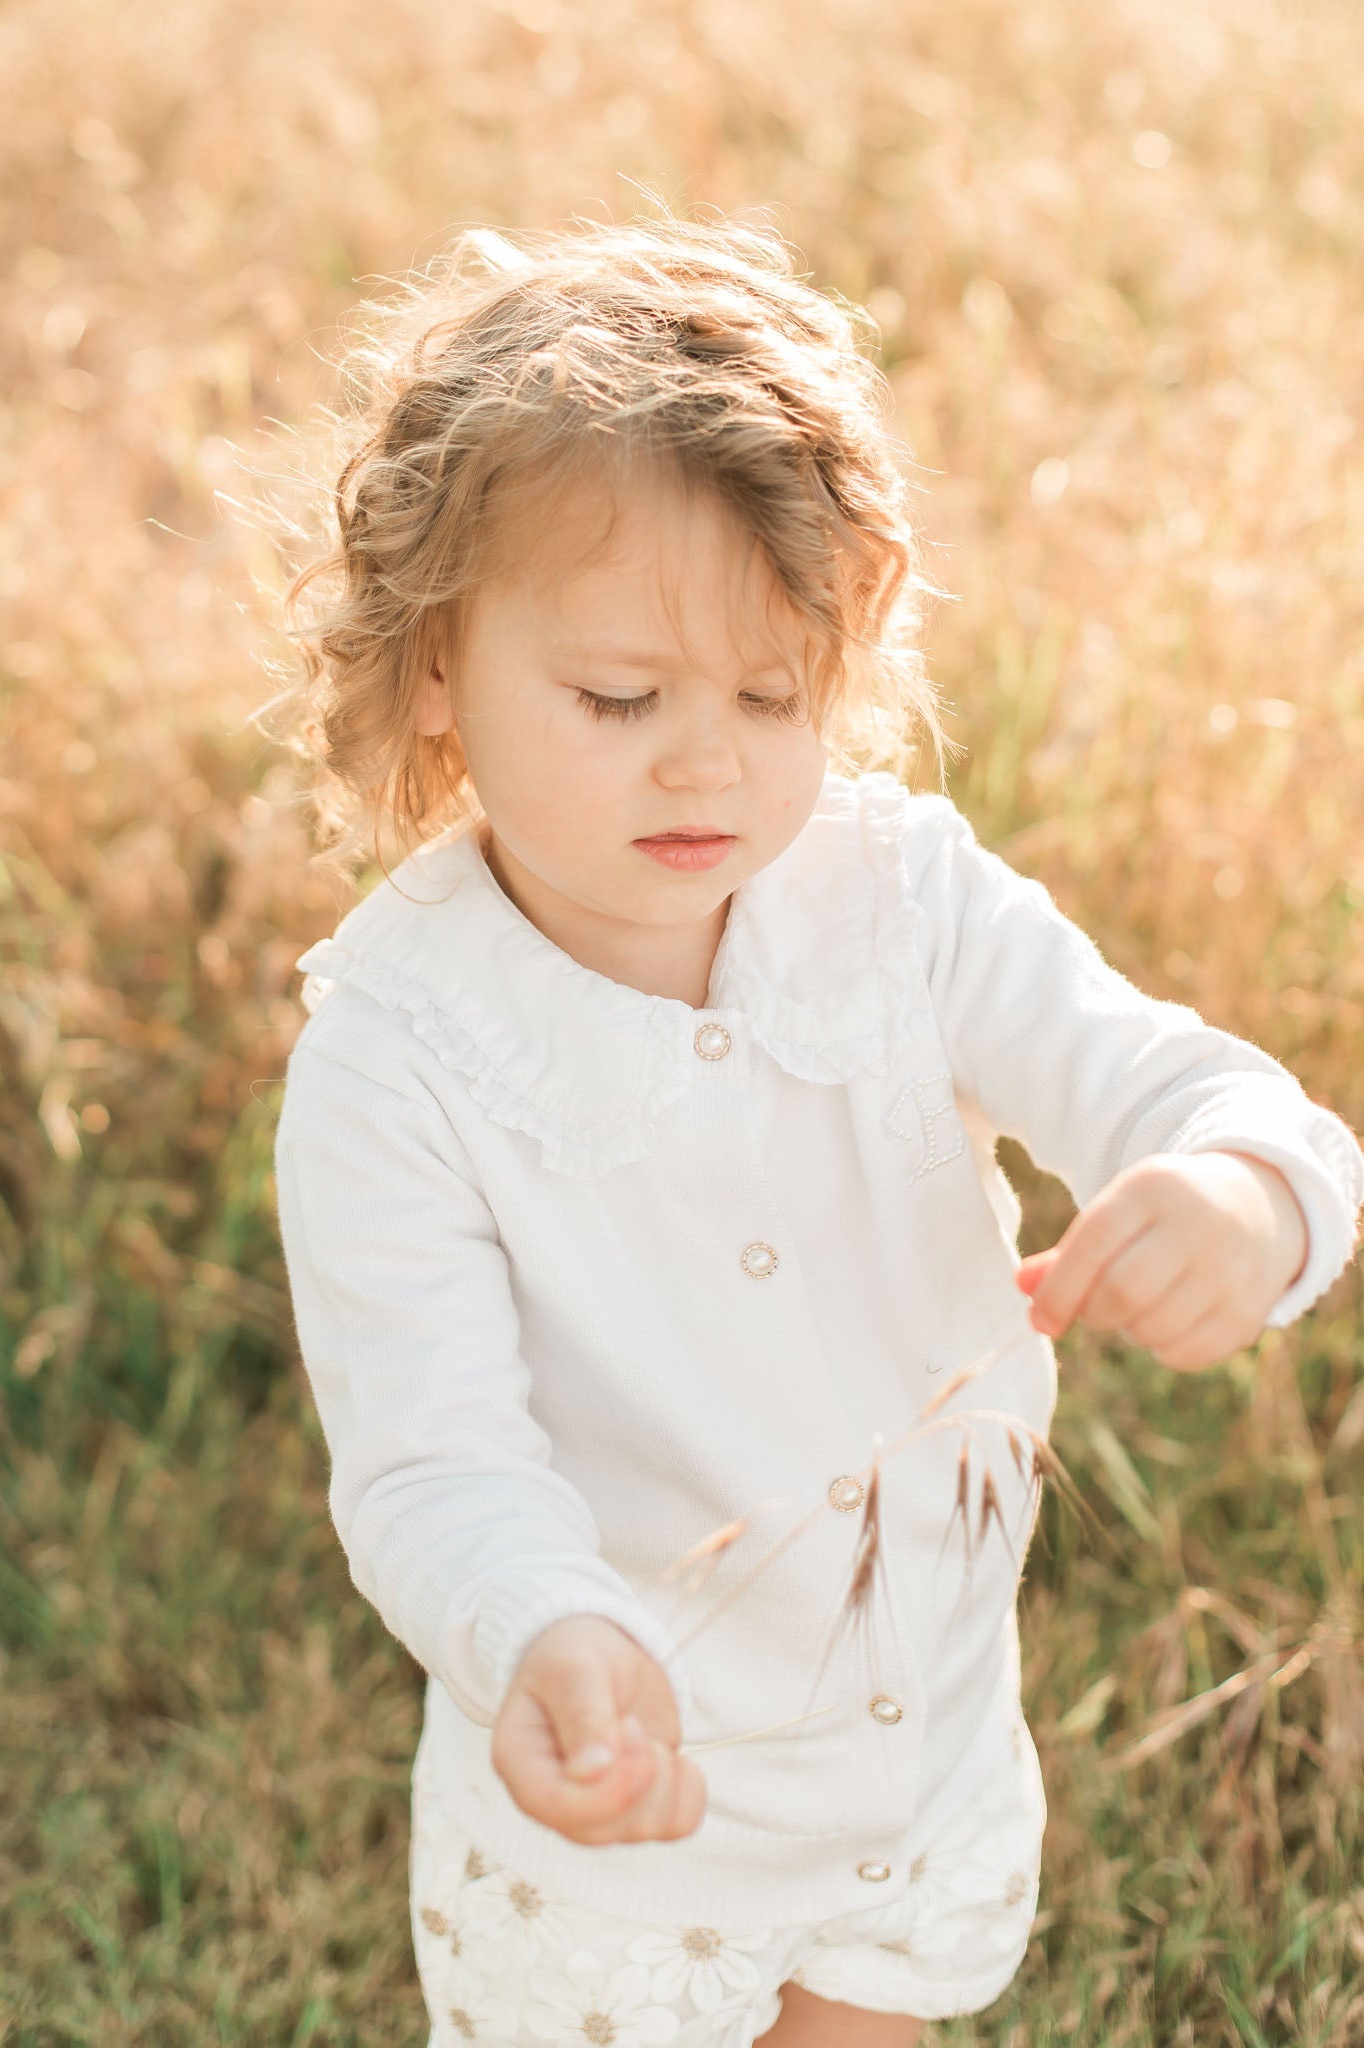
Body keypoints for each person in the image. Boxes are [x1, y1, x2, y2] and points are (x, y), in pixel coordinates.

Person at [268, 210, 1364, 2048]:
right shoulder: (395, 1055)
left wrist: (1241, 1190)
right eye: (621, 700)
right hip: (617, 1797)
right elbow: (429, 1455)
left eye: (772, 697)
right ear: (435, 666)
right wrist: (541, 1630)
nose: (706, 760)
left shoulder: (902, 900)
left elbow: (1189, 1086)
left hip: (910, 1757)